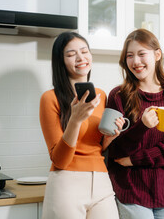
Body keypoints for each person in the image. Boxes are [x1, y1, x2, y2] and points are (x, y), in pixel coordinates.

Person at [105, 29, 164, 219]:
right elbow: (116, 151)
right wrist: (141, 126)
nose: (135, 62)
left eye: (141, 54)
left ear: (157, 55)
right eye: (130, 56)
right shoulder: (118, 96)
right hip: (132, 190)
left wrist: (135, 160)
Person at [39, 31, 120, 219]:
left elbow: (97, 148)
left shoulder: (101, 95)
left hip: (101, 182)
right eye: (70, 54)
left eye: (84, 51)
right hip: (66, 183)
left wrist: (109, 138)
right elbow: (59, 160)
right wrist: (75, 120)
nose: (80, 57)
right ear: (61, 61)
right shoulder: (50, 99)